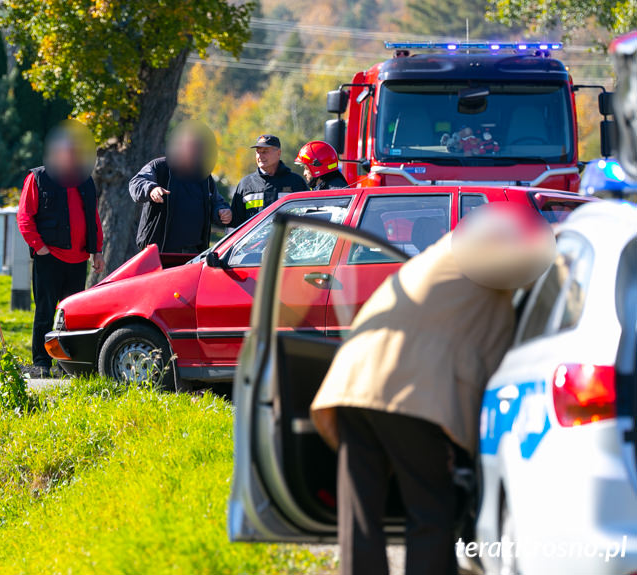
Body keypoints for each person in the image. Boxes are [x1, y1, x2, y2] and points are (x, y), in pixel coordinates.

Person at [310, 204, 555, 575]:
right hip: (406, 389)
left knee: (361, 514)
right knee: (432, 510)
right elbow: (541, 269)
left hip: (353, 380)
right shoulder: (479, 253)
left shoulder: (441, 257)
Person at [18, 123, 105, 377]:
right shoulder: (38, 178)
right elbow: (25, 217)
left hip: (78, 259)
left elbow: (94, 219)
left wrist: (96, 251)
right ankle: (41, 363)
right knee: (45, 312)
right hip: (49, 258)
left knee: (74, 317)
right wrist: (40, 247)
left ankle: (69, 365)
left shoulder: (86, 181)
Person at [130, 122, 231, 254]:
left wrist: (223, 212)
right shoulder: (160, 167)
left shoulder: (204, 176)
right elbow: (136, 183)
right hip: (159, 253)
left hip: (194, 254)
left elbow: (217, 202)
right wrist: (151, 189)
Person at [229, 134, 308, 227]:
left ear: (278, 153)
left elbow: (307, 218)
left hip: (286, 241)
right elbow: (234, 224)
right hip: (254, 242)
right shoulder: (245, 184)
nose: (260, 156)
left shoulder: (296, 182)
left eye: (265, 151)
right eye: (258, 152)